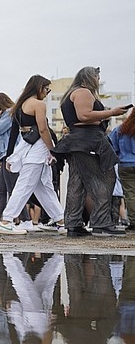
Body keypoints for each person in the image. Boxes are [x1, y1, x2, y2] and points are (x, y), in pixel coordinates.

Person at [52, 66, 129, 236]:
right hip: (88, 141)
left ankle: (73, 224)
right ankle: (101, 222)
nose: (98, 79)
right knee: (105, 178)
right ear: (90, 77)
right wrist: (112, 112)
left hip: (77, 141)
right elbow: (84, 115)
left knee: (77, 182)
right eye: (97, 76)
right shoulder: (83, 92)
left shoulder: (71, 93)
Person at [0, 76, 66, 234]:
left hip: (26, 145)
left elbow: (14, 133)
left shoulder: (20, 105)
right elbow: (43, 129)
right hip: (38, 147)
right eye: (47, 89)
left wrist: (9, 156)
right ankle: (6, 220)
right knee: (26, 184)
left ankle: (61, 221)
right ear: (39, 87)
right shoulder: (39, 104)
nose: (47, 92)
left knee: (44, 186)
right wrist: (52, 150)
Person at [0, 92, 18, 227]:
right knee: (2, 189)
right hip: (4, 154)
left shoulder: (10, 114)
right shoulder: (5, 115)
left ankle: (24, 219)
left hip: (9, 153)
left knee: (12, 189)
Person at [110, 108, 135, 230]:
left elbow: (111, 146)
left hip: (125, 165)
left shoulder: (120, 130)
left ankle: (134, 221)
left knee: (130, 195)